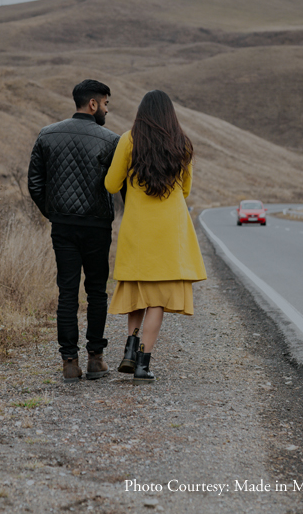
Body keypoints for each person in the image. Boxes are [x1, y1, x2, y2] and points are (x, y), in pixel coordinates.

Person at [104, 89, 207, 384]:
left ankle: (130, 349)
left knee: (137, 293)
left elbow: (111, 185)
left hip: (138, 229)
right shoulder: (182, 144)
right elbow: (185, 191)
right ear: (170, 114)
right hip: (169, 231)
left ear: (141, 113)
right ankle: (142, 365)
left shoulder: (128, 139)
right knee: (157, 300)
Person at [28, 79, 119, 383]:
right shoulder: (111, 140)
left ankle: (69, 363)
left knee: (67, 293)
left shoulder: (47, 135)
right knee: (96, 292)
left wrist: (54, 214)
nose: (106, 109)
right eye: (105, 104)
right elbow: (118, 185)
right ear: (93, 104)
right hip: (97, 227)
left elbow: (35, 184)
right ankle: (95, 360)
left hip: (63, 227)